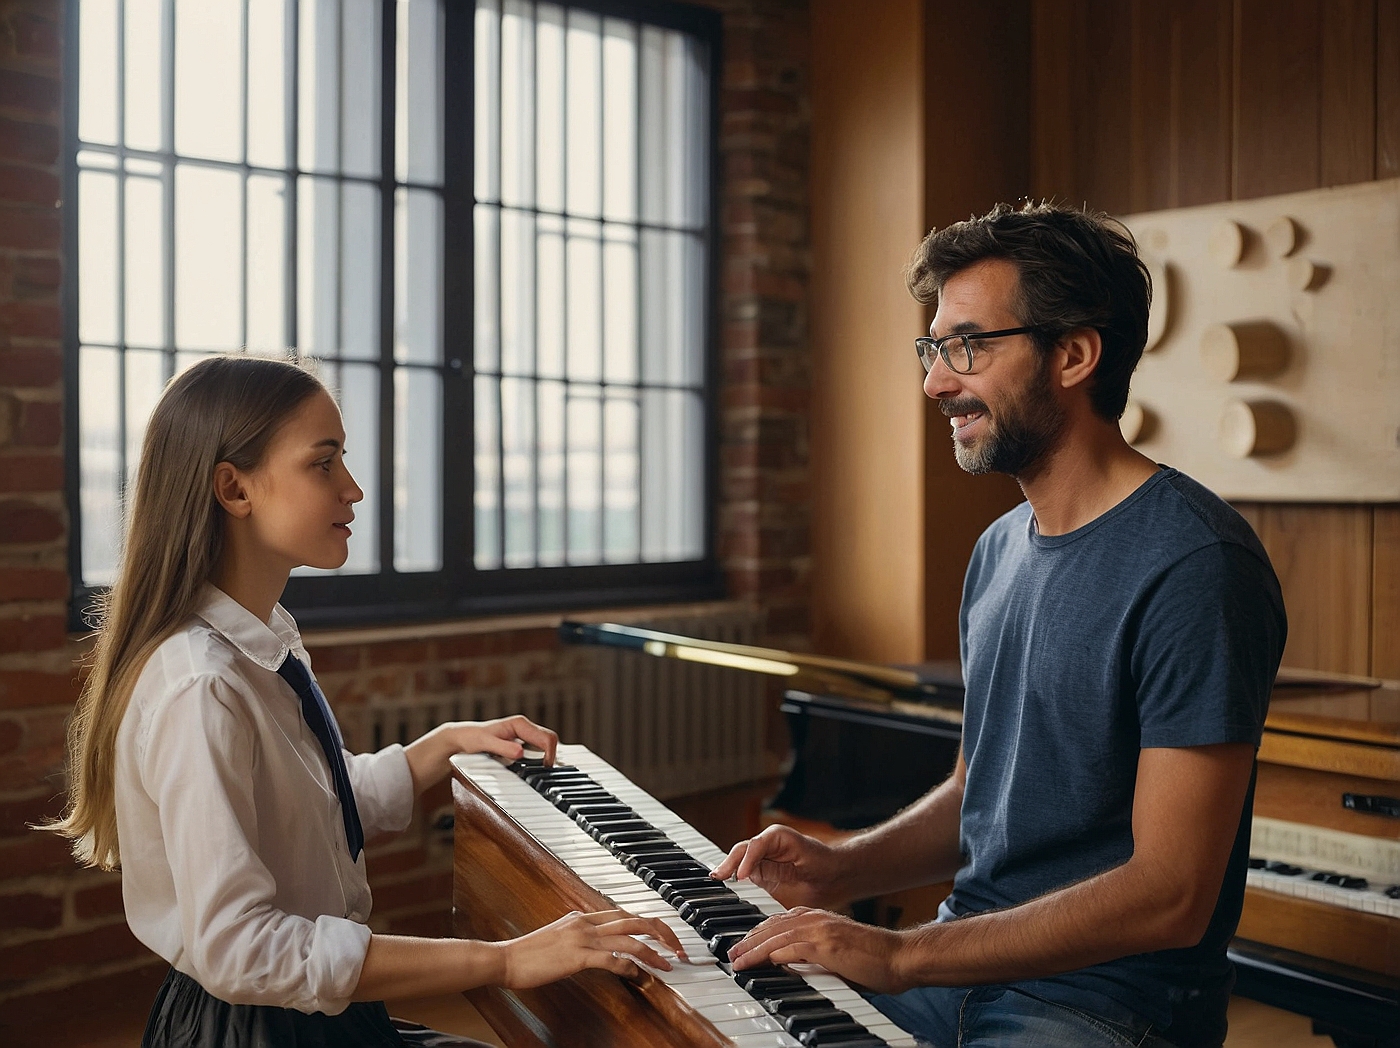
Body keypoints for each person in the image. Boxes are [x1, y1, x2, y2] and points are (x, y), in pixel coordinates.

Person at [712, 202, 1287, 1048]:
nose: (936, 382)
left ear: (1075, 355)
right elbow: (976, 795)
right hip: (961, 972)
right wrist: (842, 868)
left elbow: (1171, 894)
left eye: (968, 346)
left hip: (1103, 1006)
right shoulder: (997, 550)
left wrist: (905, 954)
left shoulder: (1197, 565)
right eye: (933, 347)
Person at [44, 355, 684, 1047]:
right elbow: (241, 950)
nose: (353, 489)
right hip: (253, 1029)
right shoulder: (202, 684)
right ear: (234, 488)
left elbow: (312, 809)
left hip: (313, 1015)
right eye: (324, 464)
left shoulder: (262, 639)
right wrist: (507, 959)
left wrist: (438, 747)